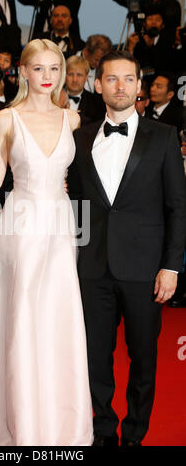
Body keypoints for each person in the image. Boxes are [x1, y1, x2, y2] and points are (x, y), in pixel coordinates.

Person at [0, 38, 93, 446]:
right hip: (19, 225)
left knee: (58, 317)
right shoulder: (5, 118)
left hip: (61, 226)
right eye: (38, 69)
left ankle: (61, 422)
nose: (47, 77)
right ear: (23, 71)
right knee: (20, 318)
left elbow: (80, 180)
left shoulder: (73, 118)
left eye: (54, 69)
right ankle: (19, 421)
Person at [67, 50, 186, 447]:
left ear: (139, 86)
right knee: (94, 358)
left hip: (145, 269)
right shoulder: (80, 137)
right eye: (111, 79)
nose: (120, 86)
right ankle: (102, 432)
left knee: (143, 361)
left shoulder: (164, 136)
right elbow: (79, 203)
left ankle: (135, 434)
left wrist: (171, 266)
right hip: (93, 268)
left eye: (128, 79)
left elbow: (178, 207)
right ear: (97, 85)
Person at [65, 55, 105, 124]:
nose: (75, 80)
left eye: (79, 75)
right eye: (71, 74)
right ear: (65, 76)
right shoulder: (53, 98)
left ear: (86, 77)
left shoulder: (97, 103)